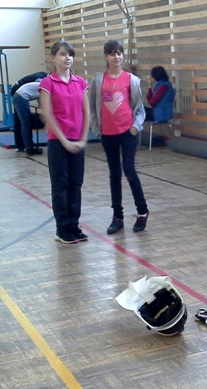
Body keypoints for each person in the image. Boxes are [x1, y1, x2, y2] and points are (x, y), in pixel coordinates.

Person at [89, 39, 149, 235]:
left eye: (119, 53)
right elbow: (93, 107)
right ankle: (117, 217)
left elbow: (139, 108)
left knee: (129, 170)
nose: (116, 57)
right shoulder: (98, 80)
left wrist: (135, 127)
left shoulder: (131, 80)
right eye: (112, 53)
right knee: (114, 174)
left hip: (127, 132)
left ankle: (142, 211)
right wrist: (97, 129)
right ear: (106, 56)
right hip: (108, 134)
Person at [38, 42, 90, 244]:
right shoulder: (48, 83)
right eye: (62, 54)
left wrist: (83, 139)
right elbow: (48, 115)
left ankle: (73, 224)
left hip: (77, 140)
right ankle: (62, 228)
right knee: (61, 185)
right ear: (53, 58)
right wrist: (64, 141)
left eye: (70, 54)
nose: (67, 58)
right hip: (58, 142)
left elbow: (86, 112)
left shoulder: (80, 82)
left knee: (76, 184)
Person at [11, 71, 48, 155]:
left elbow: (41, 99)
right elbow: (44, 100)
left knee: (23, 122)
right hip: (20, 96)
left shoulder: (43, 81)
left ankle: (24, 146)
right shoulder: (46, 83)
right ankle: (29, 147)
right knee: (26, 123)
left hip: (18, 95)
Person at [145, 66, 176, 144]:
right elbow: (151, 100)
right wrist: (150, 87)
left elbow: (152, 102)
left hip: (162, 112)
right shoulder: (162, 85)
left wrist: (150, 87)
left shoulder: (163, 86)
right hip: (160, 111)